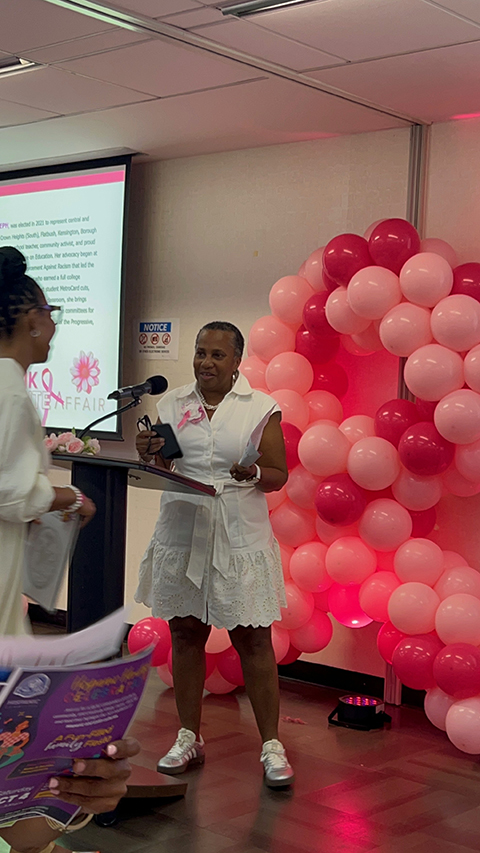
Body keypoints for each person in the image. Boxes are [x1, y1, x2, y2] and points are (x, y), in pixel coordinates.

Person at [0, 247, 141, 852]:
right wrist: (62, 496)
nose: (54, 326)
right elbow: (8, 491)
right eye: (51, 313)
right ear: (30, 319)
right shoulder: (9, 390)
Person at [135, 321, 294, 787]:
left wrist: (253, 474)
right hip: (183, 530)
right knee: (185, 634)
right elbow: (166, 462)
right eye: (200, 352)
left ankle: (272, 745)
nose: (206, 362)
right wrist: (150, 452)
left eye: (217, 355)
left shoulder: (260, 407)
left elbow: (278, 473)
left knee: (254, 641)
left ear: (237, 361)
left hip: (238, 535)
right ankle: (188, 736)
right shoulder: (173, 403)